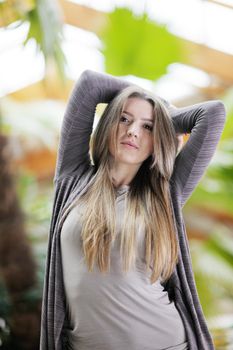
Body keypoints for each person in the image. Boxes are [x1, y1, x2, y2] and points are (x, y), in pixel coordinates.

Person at [39, 69, 226, 350]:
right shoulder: (73, 176)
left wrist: (161, 115)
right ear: (110, 125)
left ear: (157, 139)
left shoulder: (165, 193)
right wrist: (144, 101)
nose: (132, 131)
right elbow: (90, 84)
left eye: (147, 127)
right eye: (124, 119)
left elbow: (213, 113)